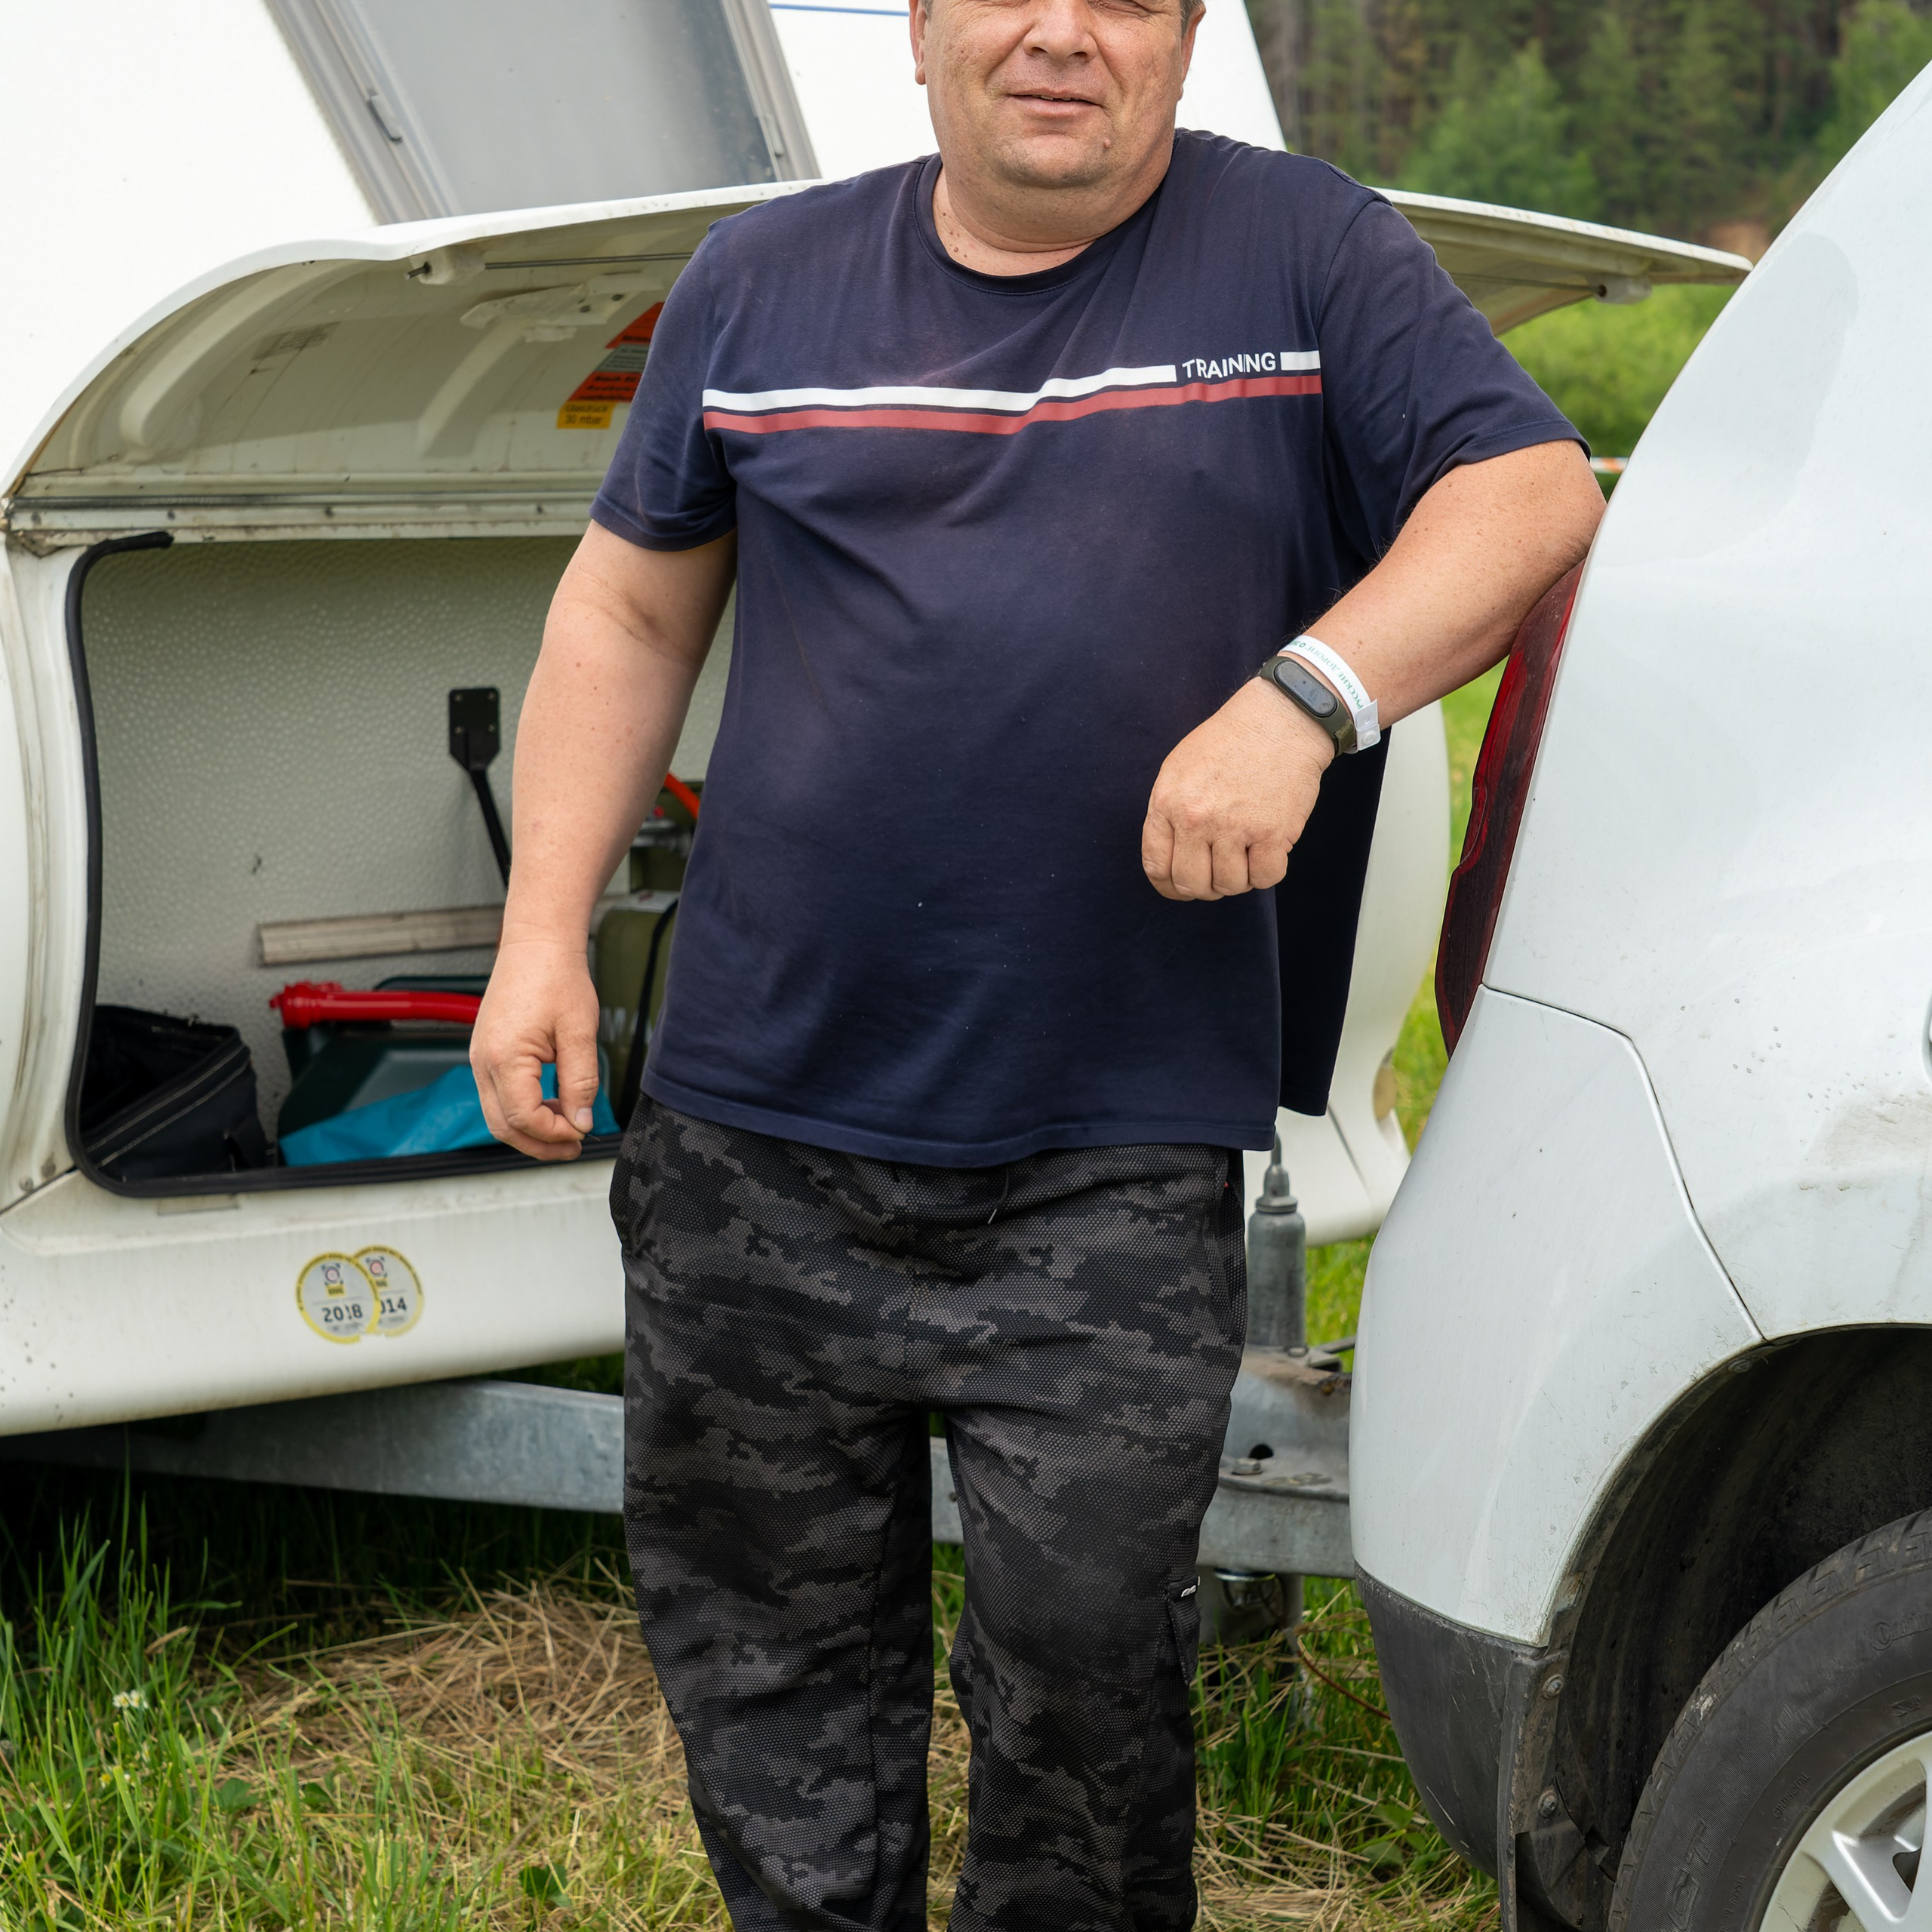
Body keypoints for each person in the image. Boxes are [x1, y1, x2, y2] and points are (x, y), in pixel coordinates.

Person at [471, 0, 1603, 1919]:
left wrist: (1302, 699)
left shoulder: (1304, 250)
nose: (1063, 33)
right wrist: (536, 937)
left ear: (1184, 38)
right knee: (764, 1665)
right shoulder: (759, 280)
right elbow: (627, 611)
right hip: (756, 1131)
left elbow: (1528, 490)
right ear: (921, 28)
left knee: (1086, 1676)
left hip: (1106, 1150)